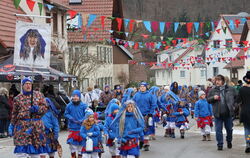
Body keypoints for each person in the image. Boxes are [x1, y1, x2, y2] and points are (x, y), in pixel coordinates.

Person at [8, 77, 48, 158]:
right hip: (22, 127)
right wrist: (12, 124)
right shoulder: (18, 98)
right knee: (21, 151)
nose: (28, 86)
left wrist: (38, 109)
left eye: (30, 84)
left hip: (36, 127)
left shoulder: (38, 95)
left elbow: (45, 108)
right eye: (26, 84)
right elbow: (14, 113)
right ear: (22, 85)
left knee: (35, 151)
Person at [207, 75, 237, 151]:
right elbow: (208, 100)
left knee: (229, 129)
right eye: (216, 80)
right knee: (218, 130)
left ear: (223, 81)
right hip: (218, 114)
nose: (217, 82)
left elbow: (237, 98)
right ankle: (220, 144)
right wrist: (213, 98)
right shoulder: (212, 90)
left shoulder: (231, 89)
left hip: (228, 113)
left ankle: (229, 141)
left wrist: (234, 106)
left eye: (219, 80)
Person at [133, 82, 157, 151]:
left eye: (143, 86)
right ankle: (141, 141)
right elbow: (133, 104)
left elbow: (153, 104)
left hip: (147, 115)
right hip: (138, 115)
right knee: (139, 129)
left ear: (146, 87)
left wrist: (150, 113)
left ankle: (146, 144)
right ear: (139, 87)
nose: (142, 87)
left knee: (146, 129)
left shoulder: (150, 95)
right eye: (141, 86)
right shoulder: (136, 95)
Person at [64, 90, 88, 158]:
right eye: (74, 96)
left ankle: (80, 155)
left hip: (81, 128)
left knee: (81, 146)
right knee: (72, 146)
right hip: (72, 127)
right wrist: (71, 118)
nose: (75, 97)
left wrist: (82, 119)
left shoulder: (84, 105)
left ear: (79, 97)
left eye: (77, 96)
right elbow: (66, 113)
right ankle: (73, 155)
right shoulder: (69, 105)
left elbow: (87, 114)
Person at [237, 71, 250, 153]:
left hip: (245, 111)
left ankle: (248, 143)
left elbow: (238, 101)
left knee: (247, 129)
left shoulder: (242, 89)